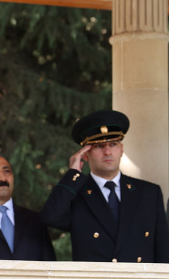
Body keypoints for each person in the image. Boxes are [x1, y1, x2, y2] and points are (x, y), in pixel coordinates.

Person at [41, 109, 169, 263]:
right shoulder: (75, 194)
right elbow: (50, 217)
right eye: (98, 146)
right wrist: (72, 175)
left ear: (121, 150)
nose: (107, 151)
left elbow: (163, 251)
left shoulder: (148, 193)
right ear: (85, 154)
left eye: (113, 144)